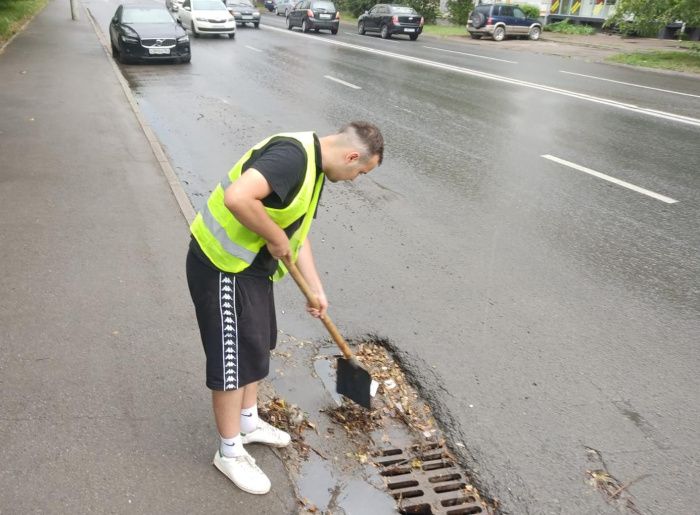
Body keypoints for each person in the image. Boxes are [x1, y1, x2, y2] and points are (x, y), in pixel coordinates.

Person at [186, 121, 384, 495]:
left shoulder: (316, 167)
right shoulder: (292, 158)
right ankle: (229, 452)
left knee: (258, 345)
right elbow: (239, 198)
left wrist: (315, 288)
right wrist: (275, 237)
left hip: (252, 270)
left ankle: (247, 421)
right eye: (361, 172)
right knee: (234, 360)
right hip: (222, 266)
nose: (357, 179)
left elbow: (297, 230)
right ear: (353, 156)